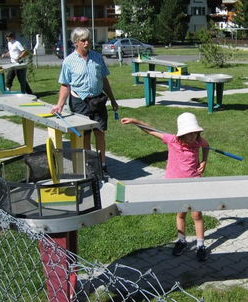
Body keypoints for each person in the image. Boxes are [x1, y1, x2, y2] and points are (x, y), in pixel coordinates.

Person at [120, 113, 210, 262]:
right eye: (190, 133)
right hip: (176, 185)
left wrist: (204, 162)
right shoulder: (172, 140)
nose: (193, 136)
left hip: (194, 183)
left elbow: (206, 146)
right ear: (182, 133)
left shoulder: (198, 141)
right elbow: (150, 130)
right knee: (181, 214)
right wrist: (135, 121)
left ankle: (200, 245)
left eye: (195, 132)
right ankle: (182, 240)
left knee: (197, 215)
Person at [51, 27, 119, 173]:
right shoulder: (69, 61)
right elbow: (65, 84)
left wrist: (113, 100)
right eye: (83, 40)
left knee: (100, 132)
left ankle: (102, 164)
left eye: (88, 39)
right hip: (80, 102)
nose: (87, 42)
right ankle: (89, 164)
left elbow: (104, 79)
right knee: (85, 135)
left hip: (98, 100)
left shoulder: (97, 57)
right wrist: (59, 105)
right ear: (76, 42)